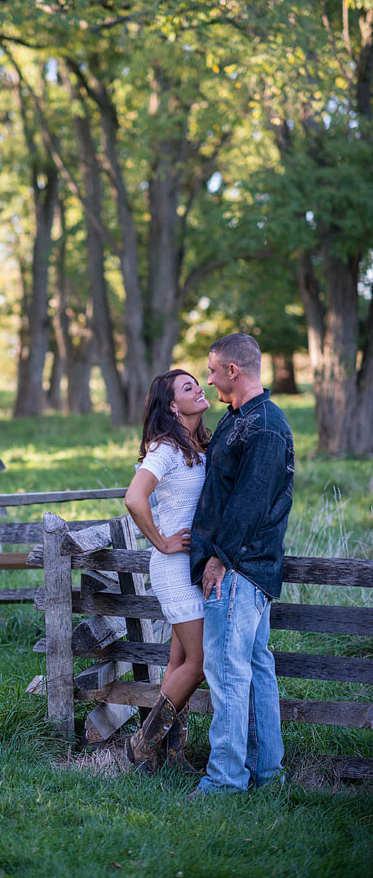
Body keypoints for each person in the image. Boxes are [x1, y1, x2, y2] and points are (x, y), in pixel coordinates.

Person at [188, 333, 295, 797]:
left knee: (229, 674)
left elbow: (249, 505)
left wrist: (219, 559)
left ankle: (226, 780)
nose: (208, 380)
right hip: (241, 569)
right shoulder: (239, 420)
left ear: (233, 370)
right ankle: (267, 775)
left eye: (212, 371)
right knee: (253, 668)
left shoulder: (265, 426)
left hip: (239, 570)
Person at [124, 369, 210, 775]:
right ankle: (141, 744)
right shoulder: (165, 450)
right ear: (173, 406)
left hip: (192, 566)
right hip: (174, 567)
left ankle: (169, 757)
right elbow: (134, 497)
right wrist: (160, 540)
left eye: (199, 382)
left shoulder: (198, 444)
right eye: (189, 387)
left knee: (179, 666)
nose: (200, 389)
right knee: (199, 661)